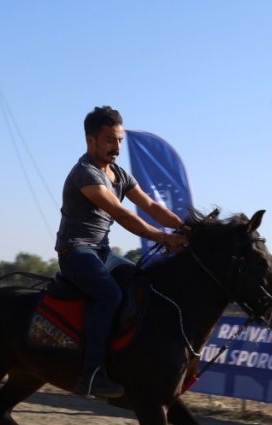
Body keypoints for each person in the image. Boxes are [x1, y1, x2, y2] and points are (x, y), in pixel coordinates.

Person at [56, 106, 188, 399]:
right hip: (75, 251)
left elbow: (152, 207)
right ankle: (91, 374)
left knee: (143, 283)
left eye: (119, 140)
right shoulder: (85, 174)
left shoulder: (118, 174)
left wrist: (186, 227)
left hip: (102, 252)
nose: (116, 147)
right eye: (109, 140)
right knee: (110, 295)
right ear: (91, 141)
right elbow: (122, 214)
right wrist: (162, 238)